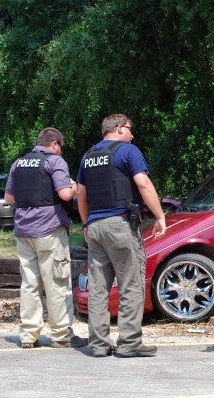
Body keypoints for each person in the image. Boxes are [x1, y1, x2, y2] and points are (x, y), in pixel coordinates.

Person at [76, 113, 166, 358]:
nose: (132, 134)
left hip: (95, 227)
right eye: (130, 128)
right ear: (118, 129)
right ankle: (129, 343)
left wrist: (86, 224)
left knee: (98, 288)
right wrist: (160, 217)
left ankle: (98, 344)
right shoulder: (128, 151)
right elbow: (143, 184)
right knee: (132, 284)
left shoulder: (88, 156)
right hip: (120, 225)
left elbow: (81, 195)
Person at [4, 127, 87, 349]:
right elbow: (65, 194)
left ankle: (28, 336)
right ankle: (61, 335)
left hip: (23, 232)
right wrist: (75, 186)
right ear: (55, 144)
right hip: (49, 230)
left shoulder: (18, 163)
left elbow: (9, 197)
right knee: (57, 283)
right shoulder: (54, 161)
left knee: (29, 284)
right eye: (60, 147)